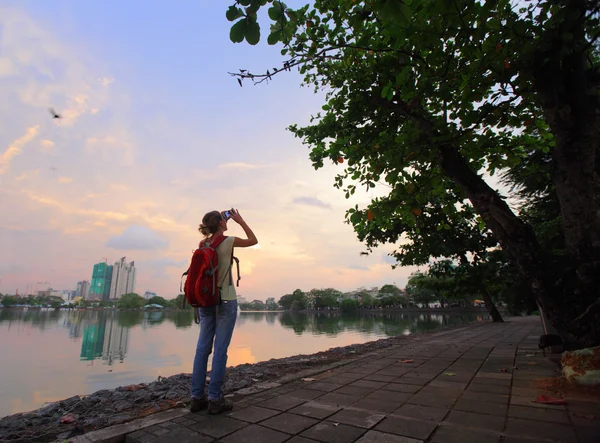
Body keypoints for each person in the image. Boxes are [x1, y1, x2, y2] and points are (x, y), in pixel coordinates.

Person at [190, 208, 258, 414]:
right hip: (226, 300)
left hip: (206, 302)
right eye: (224, 220)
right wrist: (240, 220)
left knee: (202, 349)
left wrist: (222, 219)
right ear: (221, 223)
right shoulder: (229, 241)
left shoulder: (203, 244)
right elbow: (253, 240)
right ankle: (215, 399)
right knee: (220, 350)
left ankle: (196, 398)